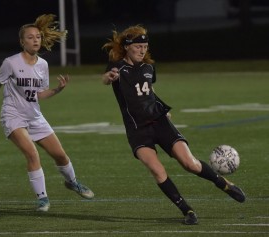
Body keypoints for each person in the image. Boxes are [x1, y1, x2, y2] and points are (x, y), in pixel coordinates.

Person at [101, 25, 245, 225]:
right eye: (138, 46)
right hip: (137, 130)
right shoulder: (117, 68)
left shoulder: (149, 68)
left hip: (160, 123)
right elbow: (107, 78)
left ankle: (224, 184)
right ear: (127, 47)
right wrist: (108, 78)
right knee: (157, 171)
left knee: (190, 164)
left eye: (145, 46)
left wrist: (162, 107)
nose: (143, 50)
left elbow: (147, 93)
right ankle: (188, 211)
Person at [0, 14, 94, 212]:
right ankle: (42, 198)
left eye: (38, 37)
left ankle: (73, 182)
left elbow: (40, 94)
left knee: (60, 156)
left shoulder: (43, 65)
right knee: (32, 154)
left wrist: (58, 90)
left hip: (34, 116)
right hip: (13, 115)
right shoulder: (11, 62)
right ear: (22, 41)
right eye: (30, 37)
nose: (35, 40)